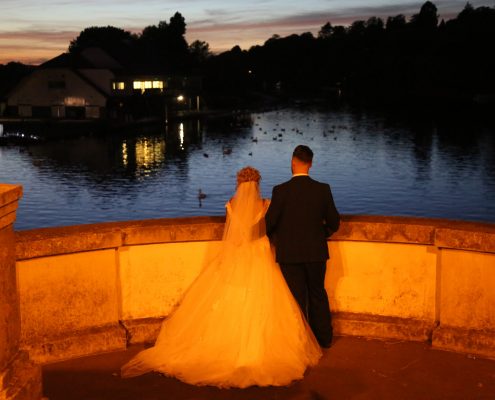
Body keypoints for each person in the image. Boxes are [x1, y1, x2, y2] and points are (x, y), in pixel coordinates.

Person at [121, 166, 321, 388]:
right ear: (257, 184)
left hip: (235, 257)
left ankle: (224, 350)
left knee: (230, 300)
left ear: (239, 184)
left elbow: (232, 233)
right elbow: (268, 230)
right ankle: (257, 352)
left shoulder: (231, 205)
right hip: (260, 257)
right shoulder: (265, 205)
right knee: (262, 302)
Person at [265, 145, 340, 348]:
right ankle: (324, 339)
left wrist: (278, 238)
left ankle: (301, 343)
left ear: (293, 162)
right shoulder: (322, 189)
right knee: (317, 293)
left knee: (297, 299)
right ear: (311, 164)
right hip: (316, 252)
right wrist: (320, 234)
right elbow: (334, 223)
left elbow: (268, 223)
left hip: (289, 254)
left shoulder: (280, 191)